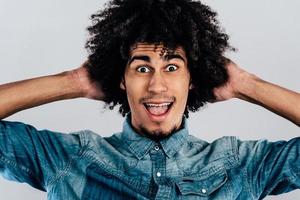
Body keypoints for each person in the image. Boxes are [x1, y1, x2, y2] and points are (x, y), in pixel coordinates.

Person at [0, 0, 299, 199]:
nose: (157, 85)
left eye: (172, 67)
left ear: (191, 79)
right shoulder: (66, 158)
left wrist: (247, 84)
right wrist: (72, 81)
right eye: (142, 68)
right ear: (121, 79)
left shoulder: (240, 165)